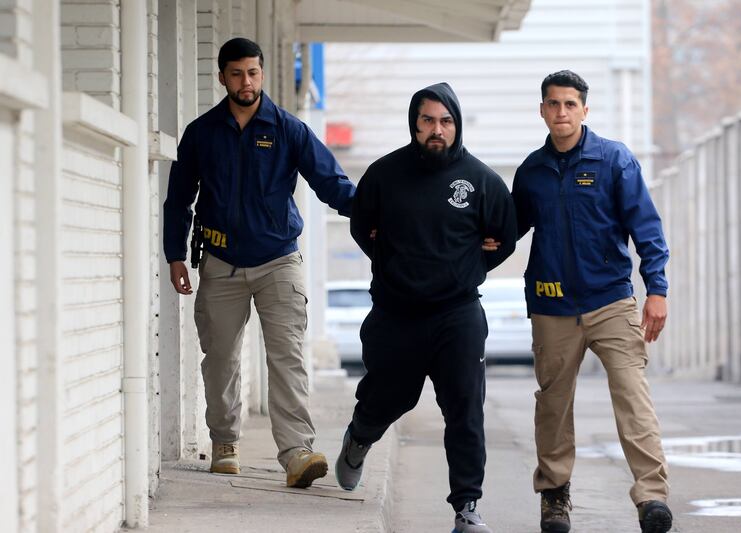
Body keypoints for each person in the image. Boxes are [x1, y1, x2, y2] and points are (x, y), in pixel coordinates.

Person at [163, 37, 355, 488]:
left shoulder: (289, 129)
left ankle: (297, 452)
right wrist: (175, 255)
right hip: (221, 262)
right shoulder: (201, 133)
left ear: (262, 74)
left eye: (252, 72)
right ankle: (225, 443)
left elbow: (332, 183)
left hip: (278, 261)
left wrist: (377, 214)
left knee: (287, 357)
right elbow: (179, 199)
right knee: (221, 359)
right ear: (222, 77)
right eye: (236, 74)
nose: (245, 82)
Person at [334, 82, 517, 533]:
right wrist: (395, 265)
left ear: (456, 124)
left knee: (464, 410)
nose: (438, 129)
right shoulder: (383, 175)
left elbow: (504, 239)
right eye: (428, 120)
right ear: (414, 124)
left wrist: (467, 266)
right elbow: (362, 228)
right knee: (390, 396)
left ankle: (467, 507)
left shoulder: (482, 181)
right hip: (396, 313)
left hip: (458, 314)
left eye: (446, 121)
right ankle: (360, 436)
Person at [510, 70, 672, 533]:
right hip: (552, 307)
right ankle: (554, 496)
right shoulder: (531, 171)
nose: (561, 112)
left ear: (584, 109)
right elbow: (506, 231)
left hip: (611, 302)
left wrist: (656, 290)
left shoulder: (614, 160)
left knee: (633, 396)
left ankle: (652, 497)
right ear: (542, 110)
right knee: (553, 405)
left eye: (570, 104)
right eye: (553, 104)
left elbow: (646, 227)